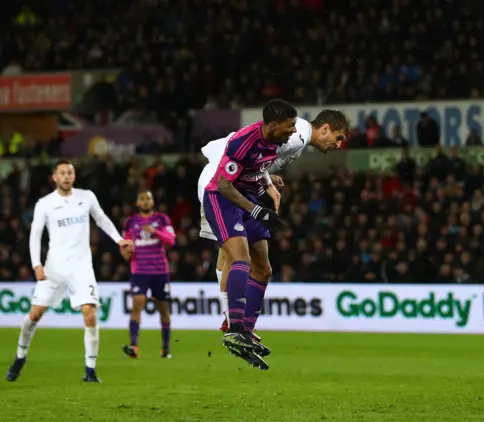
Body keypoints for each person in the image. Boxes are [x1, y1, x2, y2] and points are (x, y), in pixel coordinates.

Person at [197, 110, 349, 333]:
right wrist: (265, 184)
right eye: (338, 138)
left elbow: (258, 159)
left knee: (249, 260)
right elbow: (250, 150)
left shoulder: (298, 138)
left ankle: (236, 323)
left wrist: (266, 181)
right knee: (232, 253)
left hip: (235, 181)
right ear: (325, 128)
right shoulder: (296, 137)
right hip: (219, 182)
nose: (338, 145)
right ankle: (231, 321)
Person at [6, 160, 133, 383]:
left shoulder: (86, 197)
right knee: (34, 315)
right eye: (62, 173)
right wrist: (37, 264)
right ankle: (20, 356)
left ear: (74, 177)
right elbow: (35, 235)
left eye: (70, 173)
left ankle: (90, 370)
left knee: (90, 313)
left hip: (82, 266)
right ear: (54, 177)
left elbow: (101, 219)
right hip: (53, 267)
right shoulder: (44, 204)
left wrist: (119, 239)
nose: (66, 176)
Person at [202, 99, 296, 370]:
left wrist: (266, 180)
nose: (291, 131)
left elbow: (257, 166)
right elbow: (224, 185)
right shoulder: (242, 141)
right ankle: (234, 328)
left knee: (264, 269)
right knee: (240, 260)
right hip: (222, 200)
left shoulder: (275, 141)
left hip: (247, 199)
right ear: (273, 124)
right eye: (289, 126)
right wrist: (256, 211)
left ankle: (246, 333)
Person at [121, 191, 176, 359]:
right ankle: (134, 346)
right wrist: (127, 250)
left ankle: (165, 348)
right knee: (137, 304)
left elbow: (171, 240)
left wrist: (155, 231)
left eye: (148, 199)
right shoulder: (130, 222)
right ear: (137, 203)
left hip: (160, 270)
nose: (145, 202)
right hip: (140, 270)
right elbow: (124, 249)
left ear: (152, 202)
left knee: (163, 309)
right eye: (142, 199)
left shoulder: (162, 219)